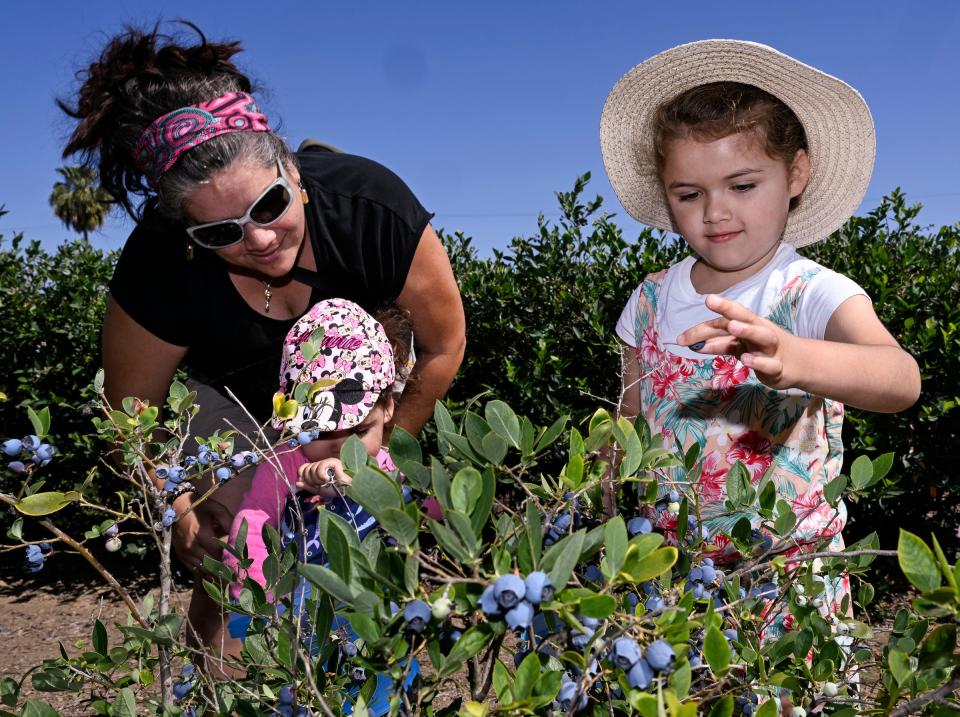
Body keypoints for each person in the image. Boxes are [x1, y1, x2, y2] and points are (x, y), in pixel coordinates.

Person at [58, 23, 465, 651]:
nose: (259, 239)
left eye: (270, 205)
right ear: (187, 233)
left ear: (292, 170)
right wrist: (183, 512)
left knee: (362, 555)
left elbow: (442, 347)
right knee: (234, 558)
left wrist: (377, 459)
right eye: (220, 233)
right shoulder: (160, 267)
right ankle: (215, 682)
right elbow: (127, 420)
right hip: (233, 393)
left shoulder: (370, 208)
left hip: (354, 393)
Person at [600, 40, 920, 625]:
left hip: (787, 587)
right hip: (670, 579)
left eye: (742, 185)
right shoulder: (647, 302)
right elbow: (629, 420)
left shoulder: (808, 292)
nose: (715, 212)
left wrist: (794, 356)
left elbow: (900, 379)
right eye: (690, 194)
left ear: (795, 175)